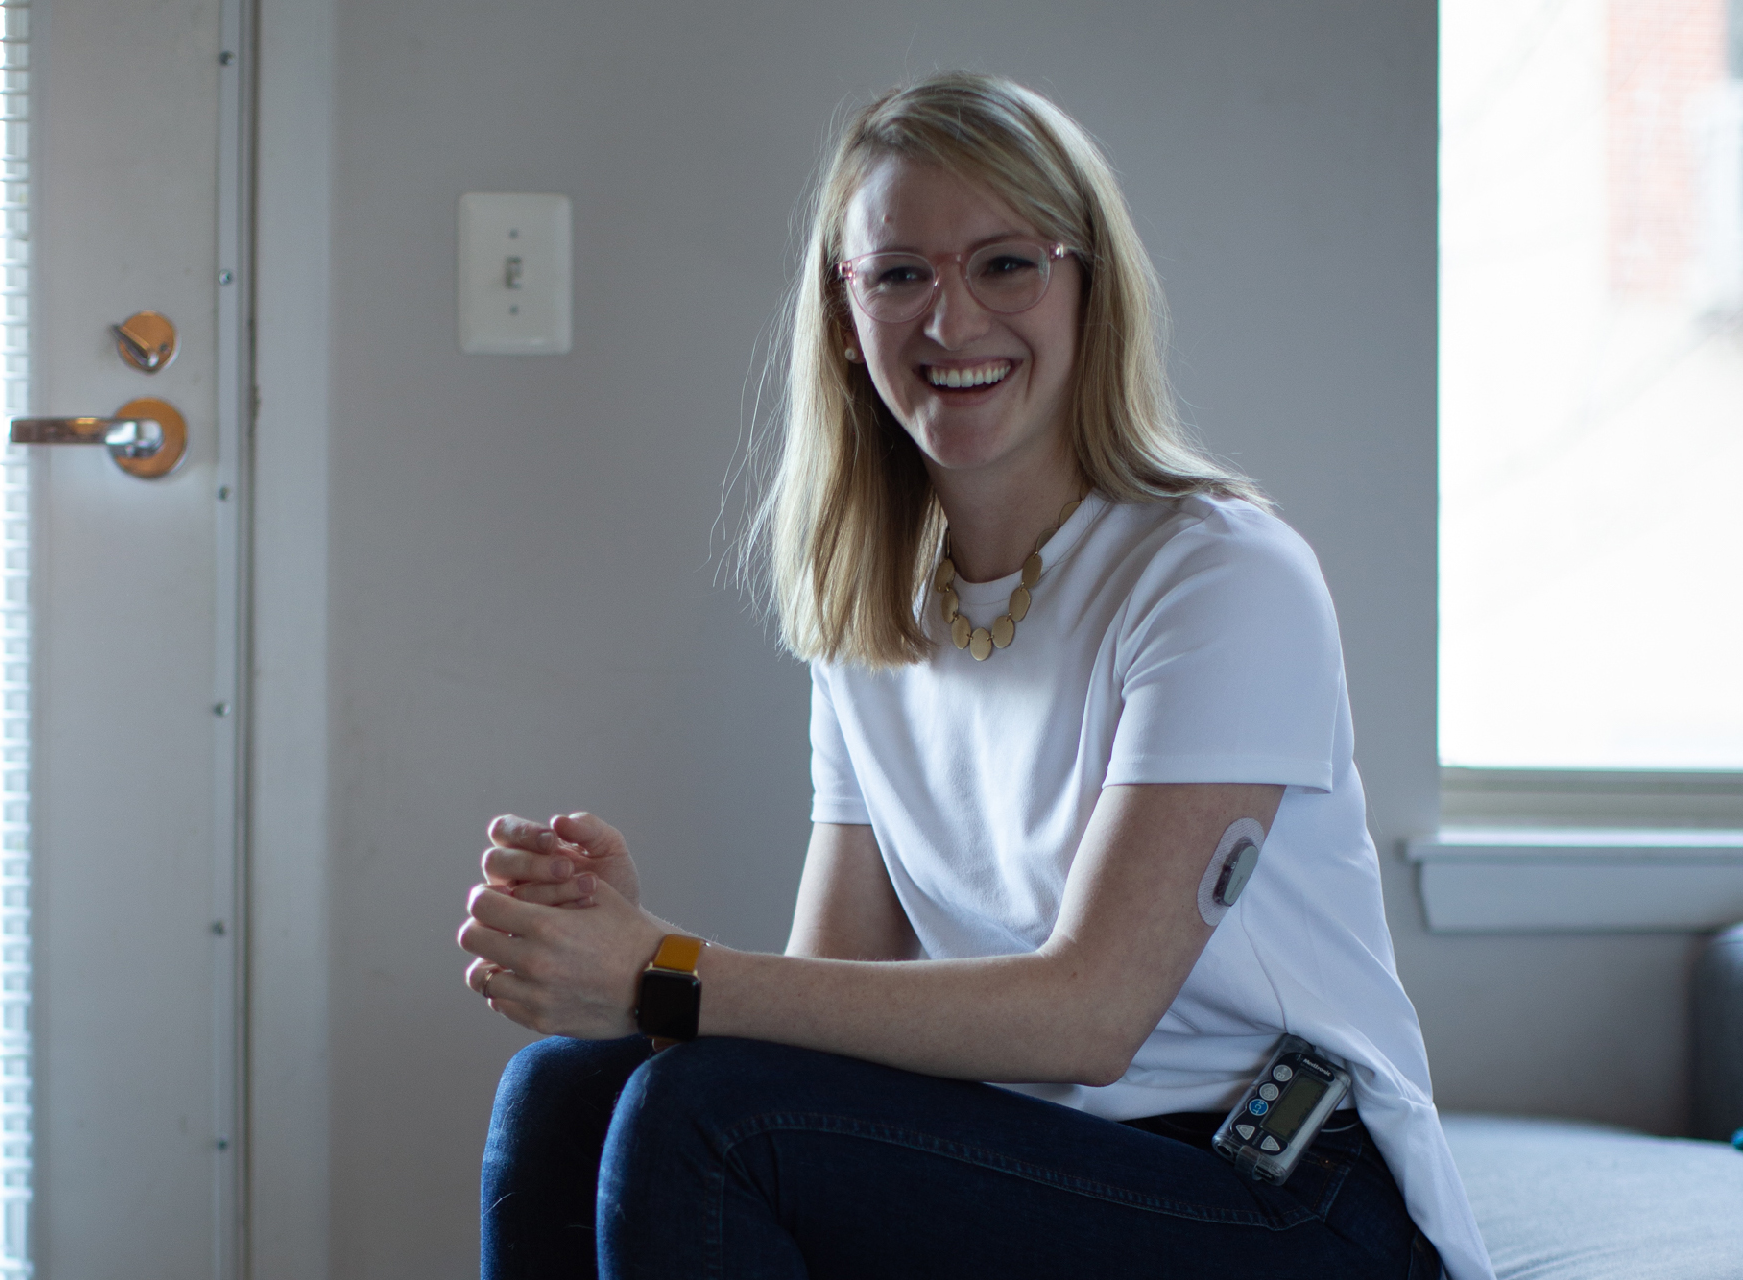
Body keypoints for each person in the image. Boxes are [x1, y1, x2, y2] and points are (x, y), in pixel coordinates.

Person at [458, 72, 1493, 1280]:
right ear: (847, 321)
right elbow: (822, 999)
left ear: (1085, 288)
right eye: (900, 275)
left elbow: (1089, 1015)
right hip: (1050, 1151)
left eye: (1006, 263)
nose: (950, 321)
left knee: (709, 1114)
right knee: (565, 1098)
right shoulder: (874, 611)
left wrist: (663, 971)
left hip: (1295, 1195)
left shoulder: (1219, 576)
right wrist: (642, 972)